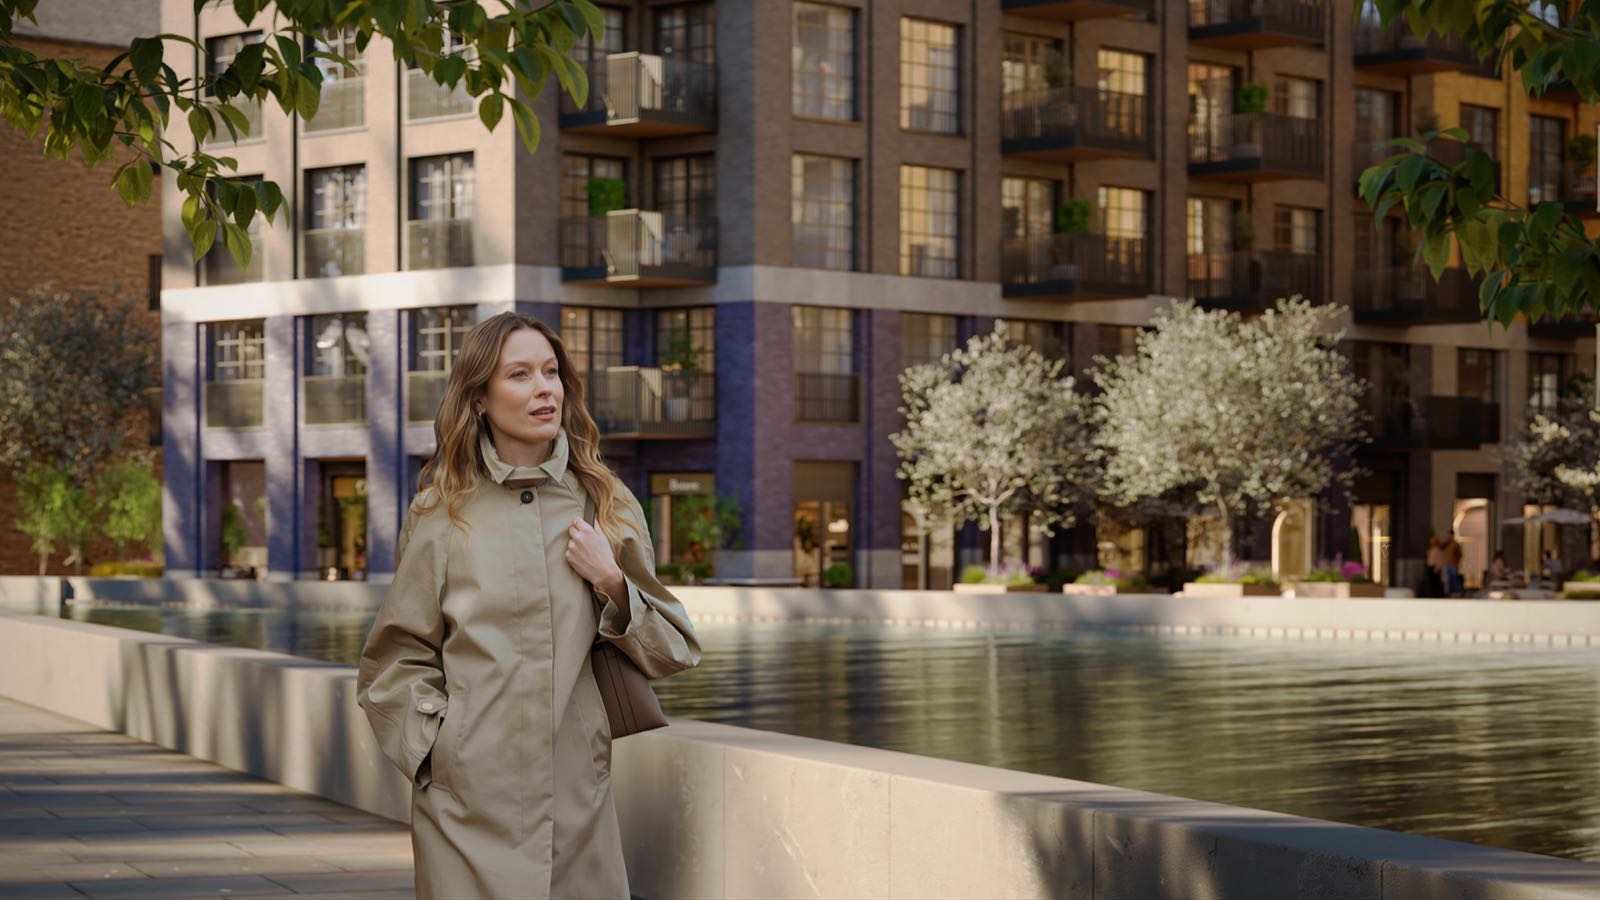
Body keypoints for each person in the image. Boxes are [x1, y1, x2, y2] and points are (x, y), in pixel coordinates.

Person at [356, 312, 702, 900]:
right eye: (519, 375)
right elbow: (396, 656)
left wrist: (612, 580)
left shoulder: (605, 503)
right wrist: (436, 749)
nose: (544, 389)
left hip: (576, 799)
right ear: (480, 398)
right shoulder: (441, 513)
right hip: (463, 803)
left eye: (550, 372)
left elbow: (675, 649)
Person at [1442, 529, 1464, 597]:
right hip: (1447, 564)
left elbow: (1459, 555)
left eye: (1449, 535)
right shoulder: (1447, 544)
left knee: (1454, 579)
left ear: (1452, 535)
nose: (1448, 536)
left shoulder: (1455, 544)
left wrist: (1457, 563)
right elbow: (1441, 547)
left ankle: (1457, 592)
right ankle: (1448, 593)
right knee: (1447, 580)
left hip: (1453, 564)